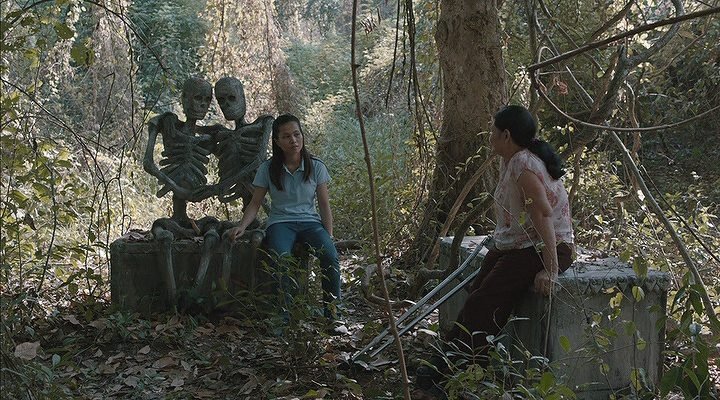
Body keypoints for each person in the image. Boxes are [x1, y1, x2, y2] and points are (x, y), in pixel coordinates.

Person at [416, 105, 575, 395]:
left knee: (484, 303)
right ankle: (450, 362)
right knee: (476, 293)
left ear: (506, 135)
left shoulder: (524, 167)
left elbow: (543, 216)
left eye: (493, 131)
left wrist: (550, 269)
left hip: (545, 246)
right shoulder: (511, 159)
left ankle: (455, 373)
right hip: (519, 243)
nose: (489, 136)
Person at [227, 114, 341, 321]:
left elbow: (324, 204)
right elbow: (255, 203)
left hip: (310, 223)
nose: (293, 140)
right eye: (286, 136)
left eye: (297, 134)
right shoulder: (268, 168)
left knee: (330, 256)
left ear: (302, 135)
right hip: (280, 223)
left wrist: (329, 235)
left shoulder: (316, 166)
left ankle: (333, 315)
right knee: (280, 259)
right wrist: (242, 226)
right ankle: (284, 317)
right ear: (277, 141)